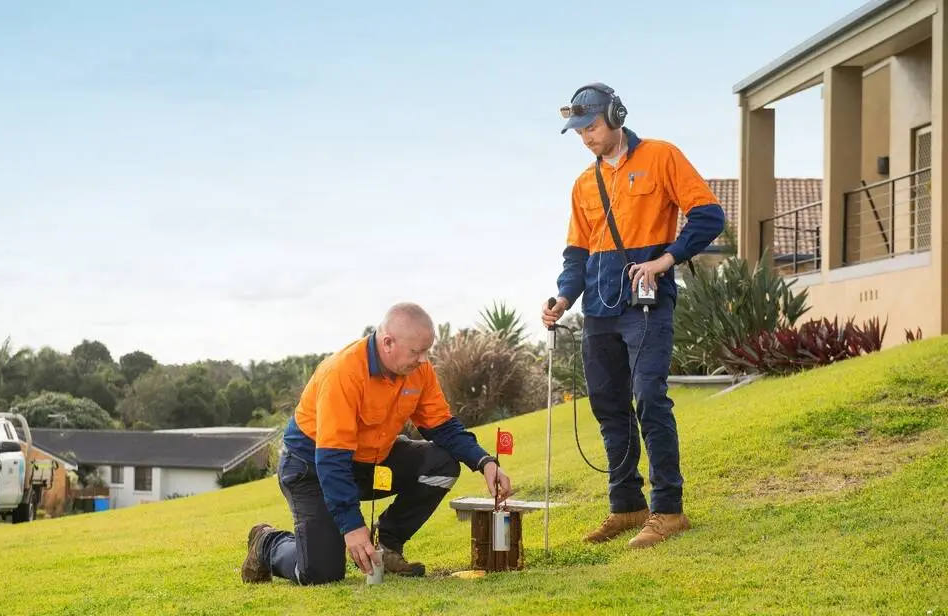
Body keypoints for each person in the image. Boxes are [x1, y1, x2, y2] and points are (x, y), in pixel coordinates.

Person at [542, 82, 724, 549]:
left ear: (616, 116)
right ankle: (626, 506)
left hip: (645, 303)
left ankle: (669, 510)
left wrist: (667, 259)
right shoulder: (583, 183)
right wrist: (563, 299)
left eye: (592, 126)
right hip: (598, 308)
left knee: (648, 398)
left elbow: (708, 216)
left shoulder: (661, 156)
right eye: (578, 131)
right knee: (608, 405)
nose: (586, 137)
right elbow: (576, 254)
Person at [241, 302, 514, 585]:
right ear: (387, 342)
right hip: (312, 469)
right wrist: (352, 526)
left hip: (369, 461)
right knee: (321, 573)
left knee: (441, 464)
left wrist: (485, 462)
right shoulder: (343, 373)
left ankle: (388, 543)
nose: (423, 360)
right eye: (416, 352)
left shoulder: (418, 370)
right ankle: (266, 542)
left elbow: (442, 426)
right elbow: (332, 460)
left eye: (426, 351)